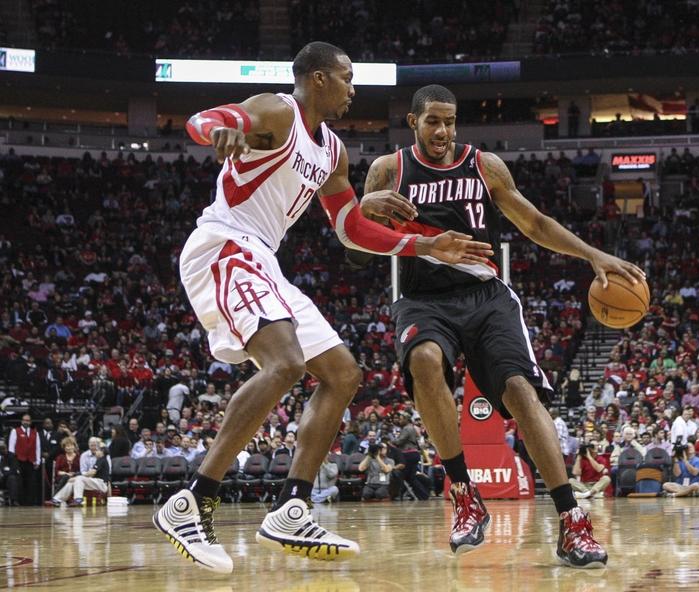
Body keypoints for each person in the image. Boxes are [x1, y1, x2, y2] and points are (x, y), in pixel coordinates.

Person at [153, 43, 492, 574]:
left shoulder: (332, 150)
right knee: (285, 363)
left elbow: (350, 229)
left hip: (265, 258)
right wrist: (216, 131)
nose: (354, 89)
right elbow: (207, 118)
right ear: (317, 78)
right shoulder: (278, 111)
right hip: (225, 245)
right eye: (346, 77)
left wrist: (426, 245)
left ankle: (291, 507)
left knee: (342, 373)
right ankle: (192, 501)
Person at [352, 84, 643, 567]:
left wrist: (594, 254)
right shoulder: (389, 170)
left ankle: (572, 521)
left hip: (486, 297)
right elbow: (357, 248)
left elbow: (534, 222)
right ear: (413, 123)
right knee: (425, 359)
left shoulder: (483, 165)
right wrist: (363, 213)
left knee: (521, 392)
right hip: (423, 298)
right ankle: (465, 493)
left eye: (449, 121)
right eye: (433, 122)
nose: (443, 131)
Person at [8, 414, 41, 505]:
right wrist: (14, 463)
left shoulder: (35, 433)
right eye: (24, 420)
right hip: (19, 460)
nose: (26, 422)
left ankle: (29, 502)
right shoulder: (15, 431)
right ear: (21, 421)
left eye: (28, 420)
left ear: (30, 422)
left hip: (30, 461)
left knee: (30, 482)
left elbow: (38, 447)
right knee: (19, 482)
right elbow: (11, 448)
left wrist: (38, 461)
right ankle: (19, 501)